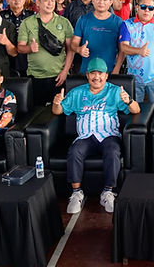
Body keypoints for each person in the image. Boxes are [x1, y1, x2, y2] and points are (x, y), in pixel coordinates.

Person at [52, 57, 139, 213]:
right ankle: (77, 193)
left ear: (106, 75)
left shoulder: (114, 91)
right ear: (87, 75)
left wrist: (129, 100)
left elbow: (136, 110)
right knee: (74, 151)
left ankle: (108, 192)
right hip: (85, 136)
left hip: (108, 135)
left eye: (100, 74)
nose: (96, 77)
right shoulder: (77, 92)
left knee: (113, 151)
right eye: (93, 73)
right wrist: (56, 103)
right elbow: (57, 111)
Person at [73, 0, 124, 74]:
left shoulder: (118, 22)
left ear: (110, 2)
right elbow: (74, 43)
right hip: (87, 70)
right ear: (93, 0)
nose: (101, 2)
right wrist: (79, 49)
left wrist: (117, 68)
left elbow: (122, 49)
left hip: (109, 71)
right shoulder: (83, 20)